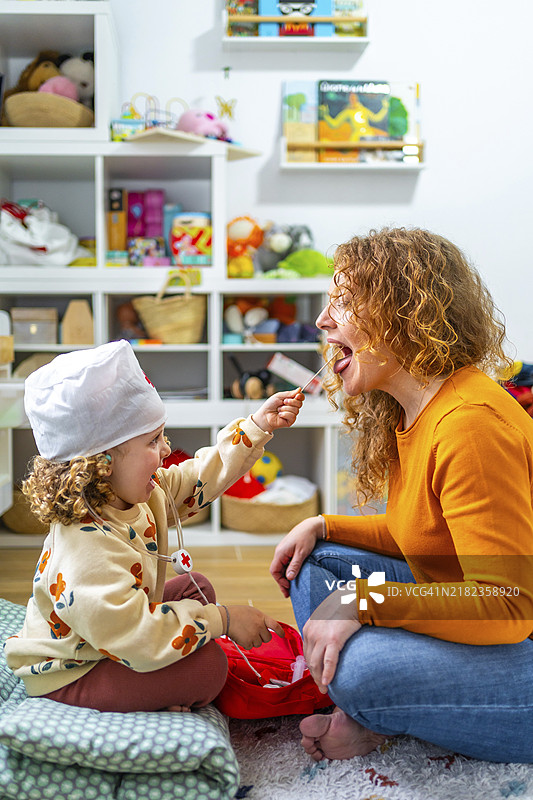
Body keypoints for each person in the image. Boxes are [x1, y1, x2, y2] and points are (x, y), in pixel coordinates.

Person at [270, 227, 533, 764]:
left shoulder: (469, 425)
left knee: (363, 671)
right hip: (475, 619)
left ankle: (376, 713)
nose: (323, 320)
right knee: (314, 562)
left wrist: (363, 601)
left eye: (343, 302)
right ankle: (388, 709)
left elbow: (511, 605)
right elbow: (426, 535)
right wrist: (324, 525)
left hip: (519, 642)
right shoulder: (411, 409)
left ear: (402, 314)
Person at [5, 339, 304, 713]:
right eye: (152, 441)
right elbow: (133, 632)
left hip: (112, 630)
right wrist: (224, 619)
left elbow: (202, 476)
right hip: (72, 668)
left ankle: (159, 673)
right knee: (210, 668)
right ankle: (150, 695)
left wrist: (257, 426)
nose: (166, 449)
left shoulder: (142, 492)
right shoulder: (86, 549)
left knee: (199, 590)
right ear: (102, 463)